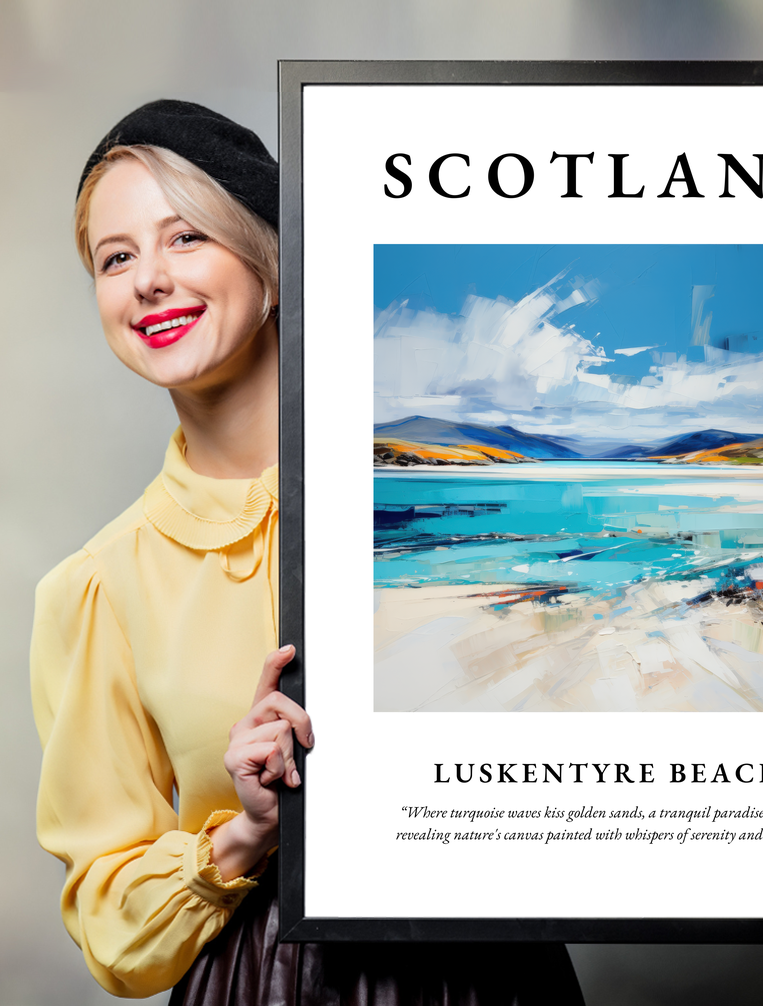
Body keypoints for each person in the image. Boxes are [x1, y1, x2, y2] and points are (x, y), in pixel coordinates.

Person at [30, 100, 585, 1004]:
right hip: (263, 982)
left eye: (185, 239)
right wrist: (245, 832)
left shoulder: (445, 506)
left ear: (273, 264)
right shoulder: (97, 587)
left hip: (493, 974)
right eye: (116, 257)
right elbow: (110, 924)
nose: (148, 281)